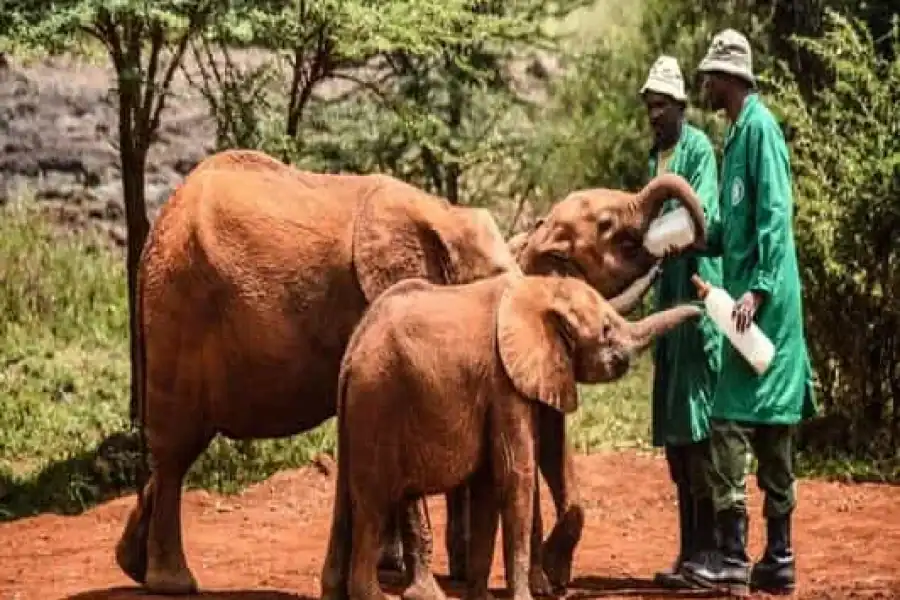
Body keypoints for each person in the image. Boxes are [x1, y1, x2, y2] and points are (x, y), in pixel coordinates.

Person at [678, 29, 818, 597]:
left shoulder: (760, 130)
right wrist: (691, 240)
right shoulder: (735, 137)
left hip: (765, 311)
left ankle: (734, 555)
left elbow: (776, 218)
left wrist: (758, 290)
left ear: (730, 79)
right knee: (768, 426)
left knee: (733, 421)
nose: (705, 83)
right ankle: (777, 559)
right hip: (745, 305)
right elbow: (736, 231)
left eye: (710, 75)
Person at [639, 54, 723, 590]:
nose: (655, 114)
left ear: (682, 106)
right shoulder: (656, 160)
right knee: (675, 437)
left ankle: (710, 552)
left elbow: (699, 220)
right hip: (664, 307)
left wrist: (650, 237)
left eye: (663, 104)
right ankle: (687, 552)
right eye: (650, 106)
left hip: (694, 301)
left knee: (698, 433)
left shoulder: (698, 153)